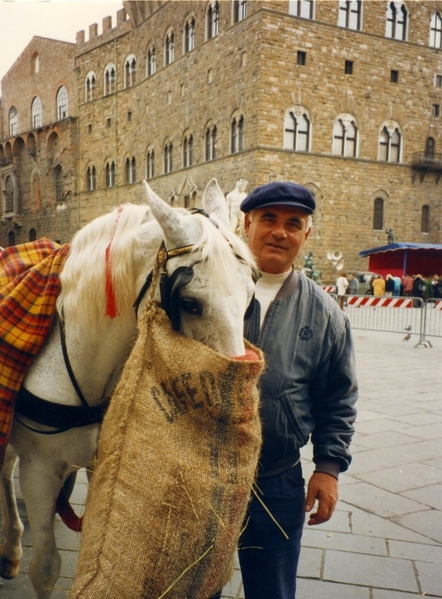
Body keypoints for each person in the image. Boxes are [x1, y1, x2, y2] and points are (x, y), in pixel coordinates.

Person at [211, 181, 358, 599]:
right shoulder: (208, 289)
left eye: (293, 223)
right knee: (193, 589)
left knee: (272, 591)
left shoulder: (325, 312)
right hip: (203, 472)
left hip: (277, 479)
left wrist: (329, 467)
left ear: (306, 234)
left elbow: (339, 396)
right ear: (247, 223)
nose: (280, 232)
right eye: (269, 219)